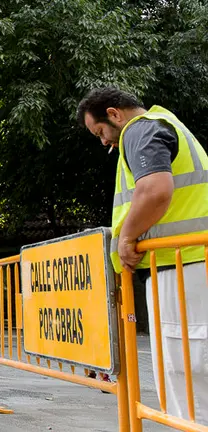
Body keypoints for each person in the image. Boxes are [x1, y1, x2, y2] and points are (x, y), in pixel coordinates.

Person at [77, 86, 208, 423]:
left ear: (114, 114)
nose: (104, 142)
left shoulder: (141, 129)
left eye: (101, 132)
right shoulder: (167, 123)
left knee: (187, 368)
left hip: (180, 264)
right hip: (187, 260)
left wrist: (127, 239)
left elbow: (155, 190)